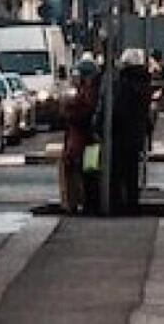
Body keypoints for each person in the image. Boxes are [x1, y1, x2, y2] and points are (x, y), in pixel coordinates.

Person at [111, 50, 153, 214]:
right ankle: (132, 204)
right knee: (132, 172)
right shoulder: (144, 81)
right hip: (137, 133)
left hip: (122, 133)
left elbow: (119, 109)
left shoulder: (125, 82)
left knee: (119, 171)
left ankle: (120, 205)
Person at [60, 58, 101, 215]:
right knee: (85, 171)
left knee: (87, 172)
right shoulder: (88, 90)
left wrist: (70, 110)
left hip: (85, 140)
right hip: (83, 139)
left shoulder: (90, 91)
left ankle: (85, 203)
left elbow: (85, 113)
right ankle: (82, 202)